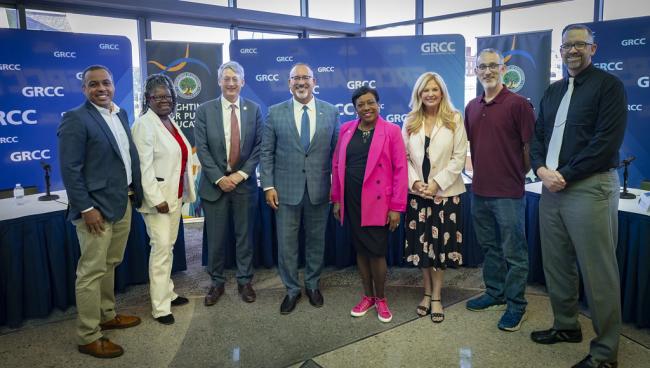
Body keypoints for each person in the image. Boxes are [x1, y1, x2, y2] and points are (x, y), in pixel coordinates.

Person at [530, 24, 626, 368]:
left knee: (599, 272)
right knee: (557, 265)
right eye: (567, 45)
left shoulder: (609, 87)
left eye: (580, 45)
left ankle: (605, 354)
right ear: (560, 51)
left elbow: (605, 143)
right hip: (550, 187)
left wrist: (564, 175)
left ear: (593, 49)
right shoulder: (553, 91)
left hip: (589, 187)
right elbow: (537, 136)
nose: (573, 50)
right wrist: (540, 170)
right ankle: (567, 326)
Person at [58, 65, 144, 358]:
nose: (101, 88)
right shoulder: (75, 119)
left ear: (113, 86)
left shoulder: (119, 113)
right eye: (93, 84)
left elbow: (124, 158)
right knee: (91, 272)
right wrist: (86, 208)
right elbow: (70, 170)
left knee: (110, 263)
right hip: (94, 210)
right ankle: (88, 334)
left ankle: (107, 314)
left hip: (121, 203)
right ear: (84, 89)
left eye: (106, 83)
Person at [463, 48, 535, 332]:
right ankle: (495, 293)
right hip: (479, 191)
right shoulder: (472, 106)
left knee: (514, 253)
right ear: (476, 71)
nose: (488, 71)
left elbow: (530, 148)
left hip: (508, 193)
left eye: (493, 66)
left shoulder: (519, 104)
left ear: (503, 70)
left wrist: (517, 175)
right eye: (482, 67)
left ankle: (516, 305)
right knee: (490, 247)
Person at [260, 63, 340, 314]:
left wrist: (334, 187)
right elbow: (266, 152)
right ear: (289, 83)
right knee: (286, 244)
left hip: (319, 189)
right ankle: (292, 290)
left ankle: (313, 285)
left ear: (315, 82)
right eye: (296, 78)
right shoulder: (275, 112)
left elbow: (337, 154)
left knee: (316, 241)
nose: (301, 82)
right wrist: (268, 186)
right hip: (285, 191)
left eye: (306, 78)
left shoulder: (331, 112)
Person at [331, 86, 407, 323]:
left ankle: (381, 298)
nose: (366, 108)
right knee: (361, 250)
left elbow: (400, 170)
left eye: (370, 102)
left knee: (376, 251)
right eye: (361, 105)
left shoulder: (391, 131)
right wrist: (336, 199)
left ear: (378, 104)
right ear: (355, 109)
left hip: (379, 202)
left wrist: (396, 207)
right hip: (351, 201)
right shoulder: (346, 130)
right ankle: (368, 296)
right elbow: (336, 166)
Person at [195, 61, 263, 306]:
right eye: (227, 78)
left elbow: (258, 147)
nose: (231, 83)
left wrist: (240, 175)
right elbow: (201, 148)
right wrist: (220, 178)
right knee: (216, 238)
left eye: (236, 78)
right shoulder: (204, 110)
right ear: (219, 82)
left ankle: (245, 281)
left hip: (243, 186)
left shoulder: (254, 110)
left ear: (243, 82)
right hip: (214, 187)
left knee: (244, 236)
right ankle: (216, 283)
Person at [402, 72, 468, 323]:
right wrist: (415, 182)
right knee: (423, 248)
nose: (430, 94)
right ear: (419, 94)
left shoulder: (454, 118)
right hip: (417, 195)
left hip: (446, 196)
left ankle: (437, 296)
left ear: (442, 92)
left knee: (440, 249)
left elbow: (459, 157)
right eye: (425, 90)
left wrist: (437, 184)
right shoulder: (410, 121)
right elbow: (404, 158)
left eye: (434, 89)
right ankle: (426, 292)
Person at [131, 74, 196, 325]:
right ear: (147, 99)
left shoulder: (169, 121)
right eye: (157, 97)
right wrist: (155, 198)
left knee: (167, 248)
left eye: (167, 96)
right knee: (159, 251)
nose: (163, 100)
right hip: (158, 201)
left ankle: (167, 292)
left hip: (175, 196)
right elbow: (143, 168)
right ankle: (160, 307)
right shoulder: (143, 125)